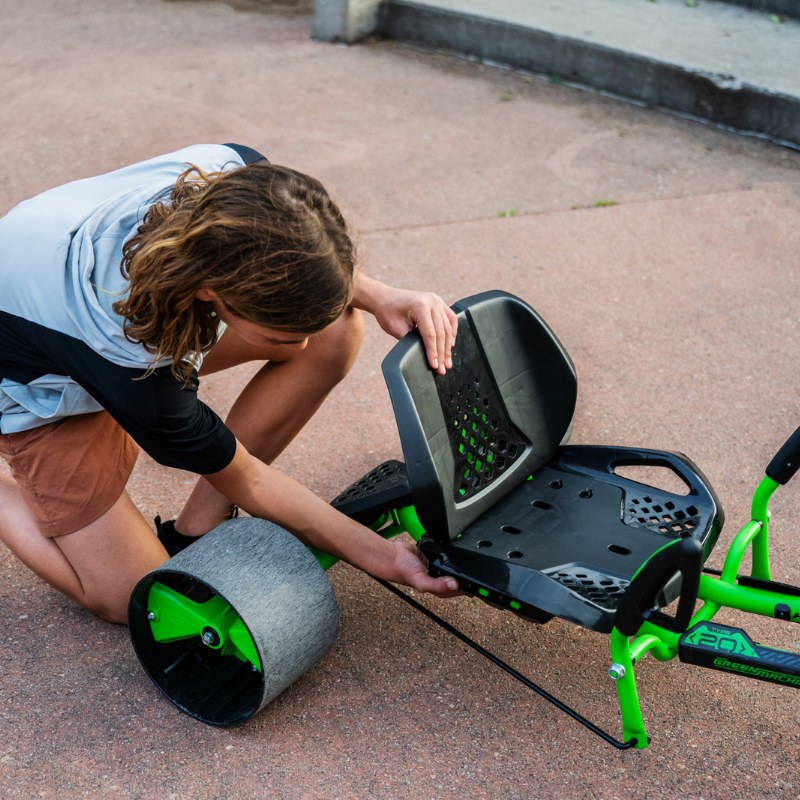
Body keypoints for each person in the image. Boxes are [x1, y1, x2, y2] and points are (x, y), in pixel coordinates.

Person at [0, 143, 460, 625]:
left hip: (83, 322)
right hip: (40, 391)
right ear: (210, 291)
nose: (297, 347)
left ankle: (198, 530)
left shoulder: (242, 176)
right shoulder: (137, 363)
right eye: (281, 334)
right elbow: (249, 477)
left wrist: (383, 295)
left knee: (336, 329)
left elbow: (299, 248)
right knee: (135, 599)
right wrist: (387, 560)